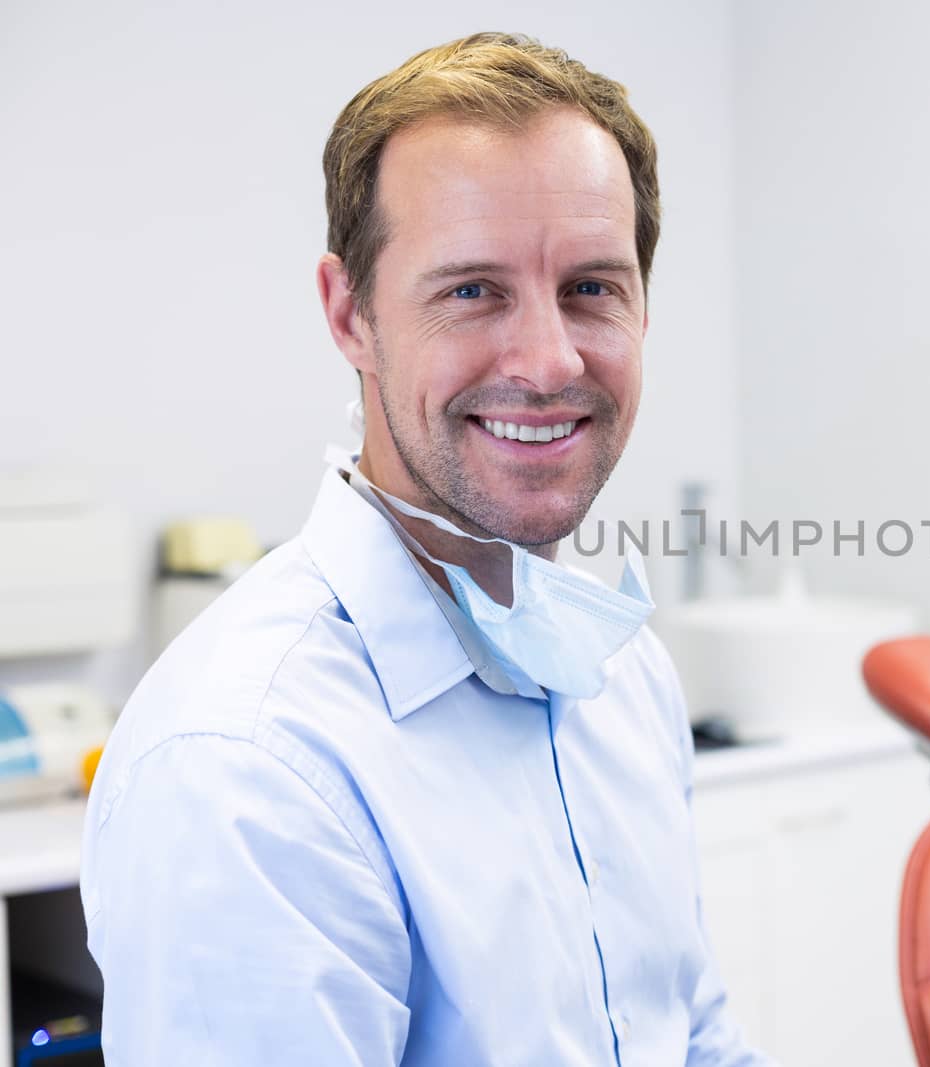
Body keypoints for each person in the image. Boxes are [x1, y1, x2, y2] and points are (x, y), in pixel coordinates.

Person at [80, 32, 771, 1066]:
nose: (548, 360)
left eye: (591, 287)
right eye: (470, 290)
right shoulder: (252, 764)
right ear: (349, 313)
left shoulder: (621, 671)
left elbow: (693, 1030)